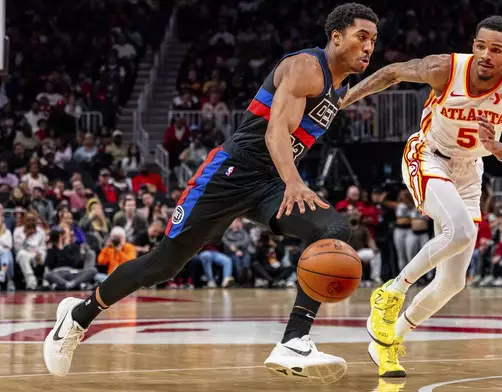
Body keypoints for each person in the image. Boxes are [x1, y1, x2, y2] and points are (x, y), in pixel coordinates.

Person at [43, 3, 378, 384]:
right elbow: (274, 133)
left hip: (269, 184)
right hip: (231, 174)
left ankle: (294, 339)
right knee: (163, 266)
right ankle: (77, 316)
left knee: (332, 228)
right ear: (336, 37)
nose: (369, 47)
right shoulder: (305, 67)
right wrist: (294, 183)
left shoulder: (340, 85)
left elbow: (368, 86)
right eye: (361, 37)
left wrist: (403, 74)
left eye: (373, 40)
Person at [340, 15, 502, 377]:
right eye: (480, 45)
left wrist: (498, 148)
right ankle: (390, 293)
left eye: (496, 50)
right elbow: (394, 72)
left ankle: (387, 343)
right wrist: (347, 97)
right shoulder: (445, 68)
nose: (485, 55)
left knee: (453, 282)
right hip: (427, 155)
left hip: (470, 171)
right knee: (461, 231)